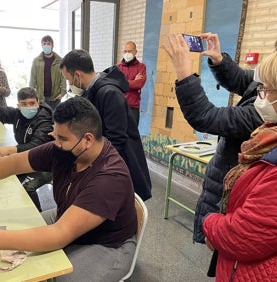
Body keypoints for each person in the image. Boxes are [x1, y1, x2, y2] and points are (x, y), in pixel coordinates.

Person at [0, 96, 138, 281]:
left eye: (62, 138)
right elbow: (14, 163)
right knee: (15, 229)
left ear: (88, 140)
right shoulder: (65, 150)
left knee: (62, 276)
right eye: (55, 134)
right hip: (67, 214)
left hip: (106, 243)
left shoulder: (109, 178)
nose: (55, 141)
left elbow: (59, 234)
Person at [162, 33, 264, 276]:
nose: (262, 91)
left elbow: (206, 116)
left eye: (268, 89)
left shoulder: (264, 113)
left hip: (237, 199)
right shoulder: (266, 92)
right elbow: (246, 81)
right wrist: (219, 60)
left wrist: (184, 73)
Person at [202, 51, 277, 281]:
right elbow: (241, 79)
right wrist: (219, 61)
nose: (260, 96)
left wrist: (210, 222)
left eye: (265, 89)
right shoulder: (267, 134)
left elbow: (242, 234)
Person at [59, 49, 152, 201]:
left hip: (121, 162)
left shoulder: (109, 93)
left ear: (77, 75)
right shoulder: (92, 91)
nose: (69, 84)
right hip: (106, 161)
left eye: (68, 79)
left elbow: (116, 139)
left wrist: (93, 166)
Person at [29, 35, 66, 110]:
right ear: (41, 45)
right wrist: (31, 95)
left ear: (52, 45)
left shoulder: (60, 61)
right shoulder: (36, 61)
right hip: (41, 98)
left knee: (55, 119)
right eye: (44, 43)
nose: (46, 45)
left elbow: (63, 78)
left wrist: (62, 93)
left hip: (55, 98)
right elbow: (32, 79)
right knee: (43, 118)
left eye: (48, 43)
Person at [117, 41, 147, 125]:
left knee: (132, 135)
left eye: (129, 51)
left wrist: (123, 82)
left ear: (135, 52)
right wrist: (133, 81)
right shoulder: (118, 67)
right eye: (125, 51)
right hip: (119, 105)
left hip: (133, 107)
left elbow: (139, 84)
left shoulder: (141, 67)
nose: (127, 53)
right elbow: (116, 84)